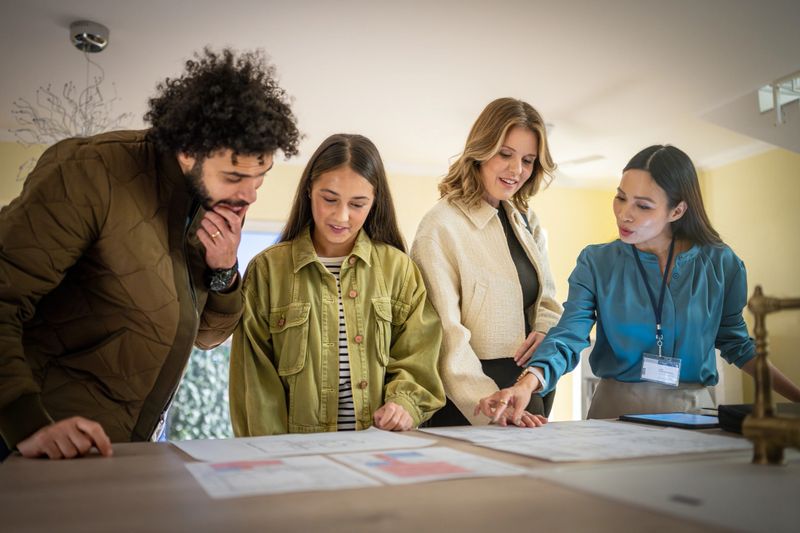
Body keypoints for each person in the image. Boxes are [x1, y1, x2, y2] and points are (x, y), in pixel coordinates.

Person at [0, 48, 300, 460]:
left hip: (111, 453)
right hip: (34, 445)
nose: (249, 195)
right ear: (187, 151)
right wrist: (24, 420)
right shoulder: (90, 170)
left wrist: (225, 269)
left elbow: (207, 338)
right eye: (235, 177)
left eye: (259, 179)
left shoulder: (209, 206)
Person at [477, 145, 800, 424]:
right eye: (620, 198)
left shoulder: (721, 264)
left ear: (677, 210)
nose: (624, 214)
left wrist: (796, 397)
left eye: (642, 206)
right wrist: (526, 383)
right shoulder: (597, 262)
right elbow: (568, 336)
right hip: (613, 410)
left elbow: (737, 344)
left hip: (692, 411)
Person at [227, 133, 445, 435]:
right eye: (329, 199)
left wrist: (404, 404)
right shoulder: (267, 272)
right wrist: (273, 460)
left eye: (357, 204)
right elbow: (255, 386)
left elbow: (419, 356)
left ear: (374, 202)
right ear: (308, 190)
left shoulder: (399, 271)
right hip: (295, 461)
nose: (341, 216)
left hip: (380, 453)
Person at [411, 97, 563, 427]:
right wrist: (490, 405)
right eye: (505, 154)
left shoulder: (526, 220)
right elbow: (444, 336)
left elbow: (548, 302)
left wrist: (544, 331)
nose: (517, 170)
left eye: (528, 160)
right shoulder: (440, 226)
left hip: (527, 390)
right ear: (480, 151)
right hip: (470, 401)